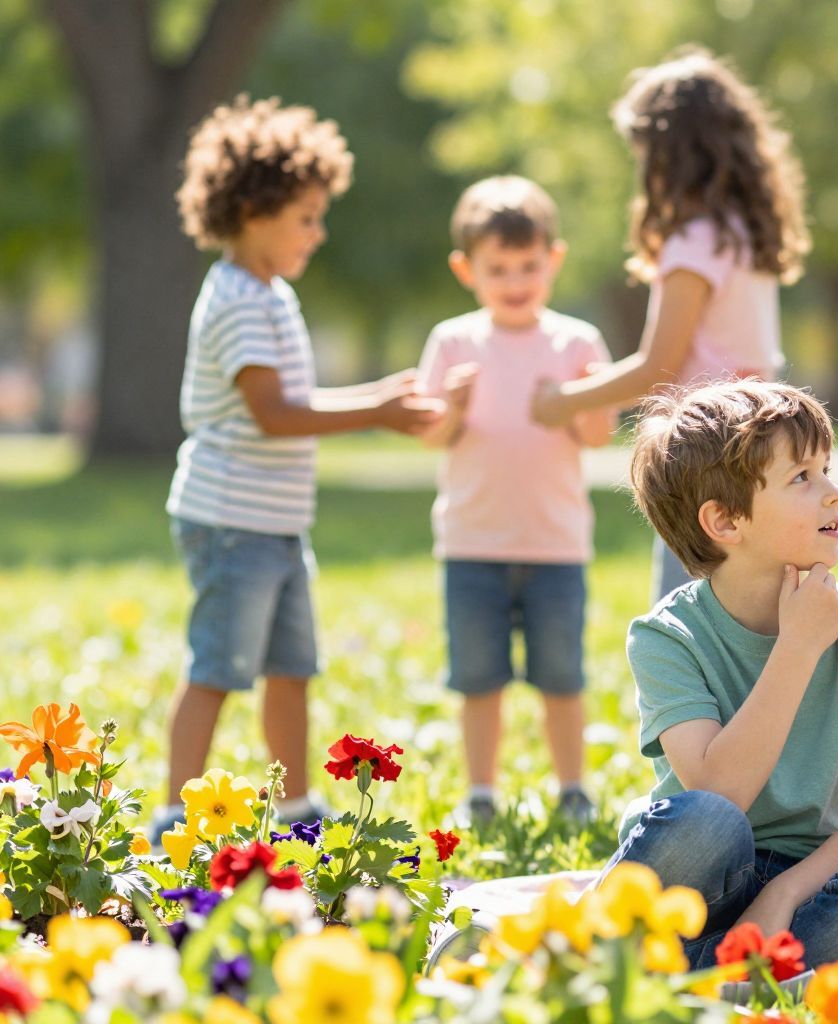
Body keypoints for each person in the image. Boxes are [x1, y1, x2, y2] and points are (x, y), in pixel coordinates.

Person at [155, 96, 443, 842]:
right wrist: (375, 410)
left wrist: (382, 402)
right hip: (230, 521)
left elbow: (290, 401)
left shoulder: (269, 293)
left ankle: (293, 806)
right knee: (218, 665)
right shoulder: (240, 301)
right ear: (254, 209)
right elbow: (273, 414)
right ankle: (169, 812)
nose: (318, 233)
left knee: (292, 665)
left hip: (276, 522)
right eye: (307, 217)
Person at [598, 380, 838, 969]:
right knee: (703, 823)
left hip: (807, 886)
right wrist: (798, 647)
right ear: (724, 522)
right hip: (698, 875)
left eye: (827, 468)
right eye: (802, 477)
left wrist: (782, 894)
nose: (834, 492)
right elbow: (718, 795)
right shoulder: (667, 637)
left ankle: (694, 982)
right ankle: (620, 963)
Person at [529, 48, 811, 602]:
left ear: (668, 154)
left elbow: (656, 368)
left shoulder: (695, 242)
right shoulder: (745, 233)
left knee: (687, 623)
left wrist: (562, 400)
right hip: (763, 448)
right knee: (755, 621)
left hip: (706, 455)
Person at [415, 175, 615, 827]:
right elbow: (432, 437)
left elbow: (597, 435)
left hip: (556, 542)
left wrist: (580, 398)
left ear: (553, 260)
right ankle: (480, 793)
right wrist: (454, 407)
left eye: (528, 265)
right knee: (479, 678)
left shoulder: (577, 341)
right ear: (464, 268)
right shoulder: (452, 340)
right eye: (497, 268)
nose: (515, 280)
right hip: (473, 542)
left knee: (562, 676)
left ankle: (573, 788)